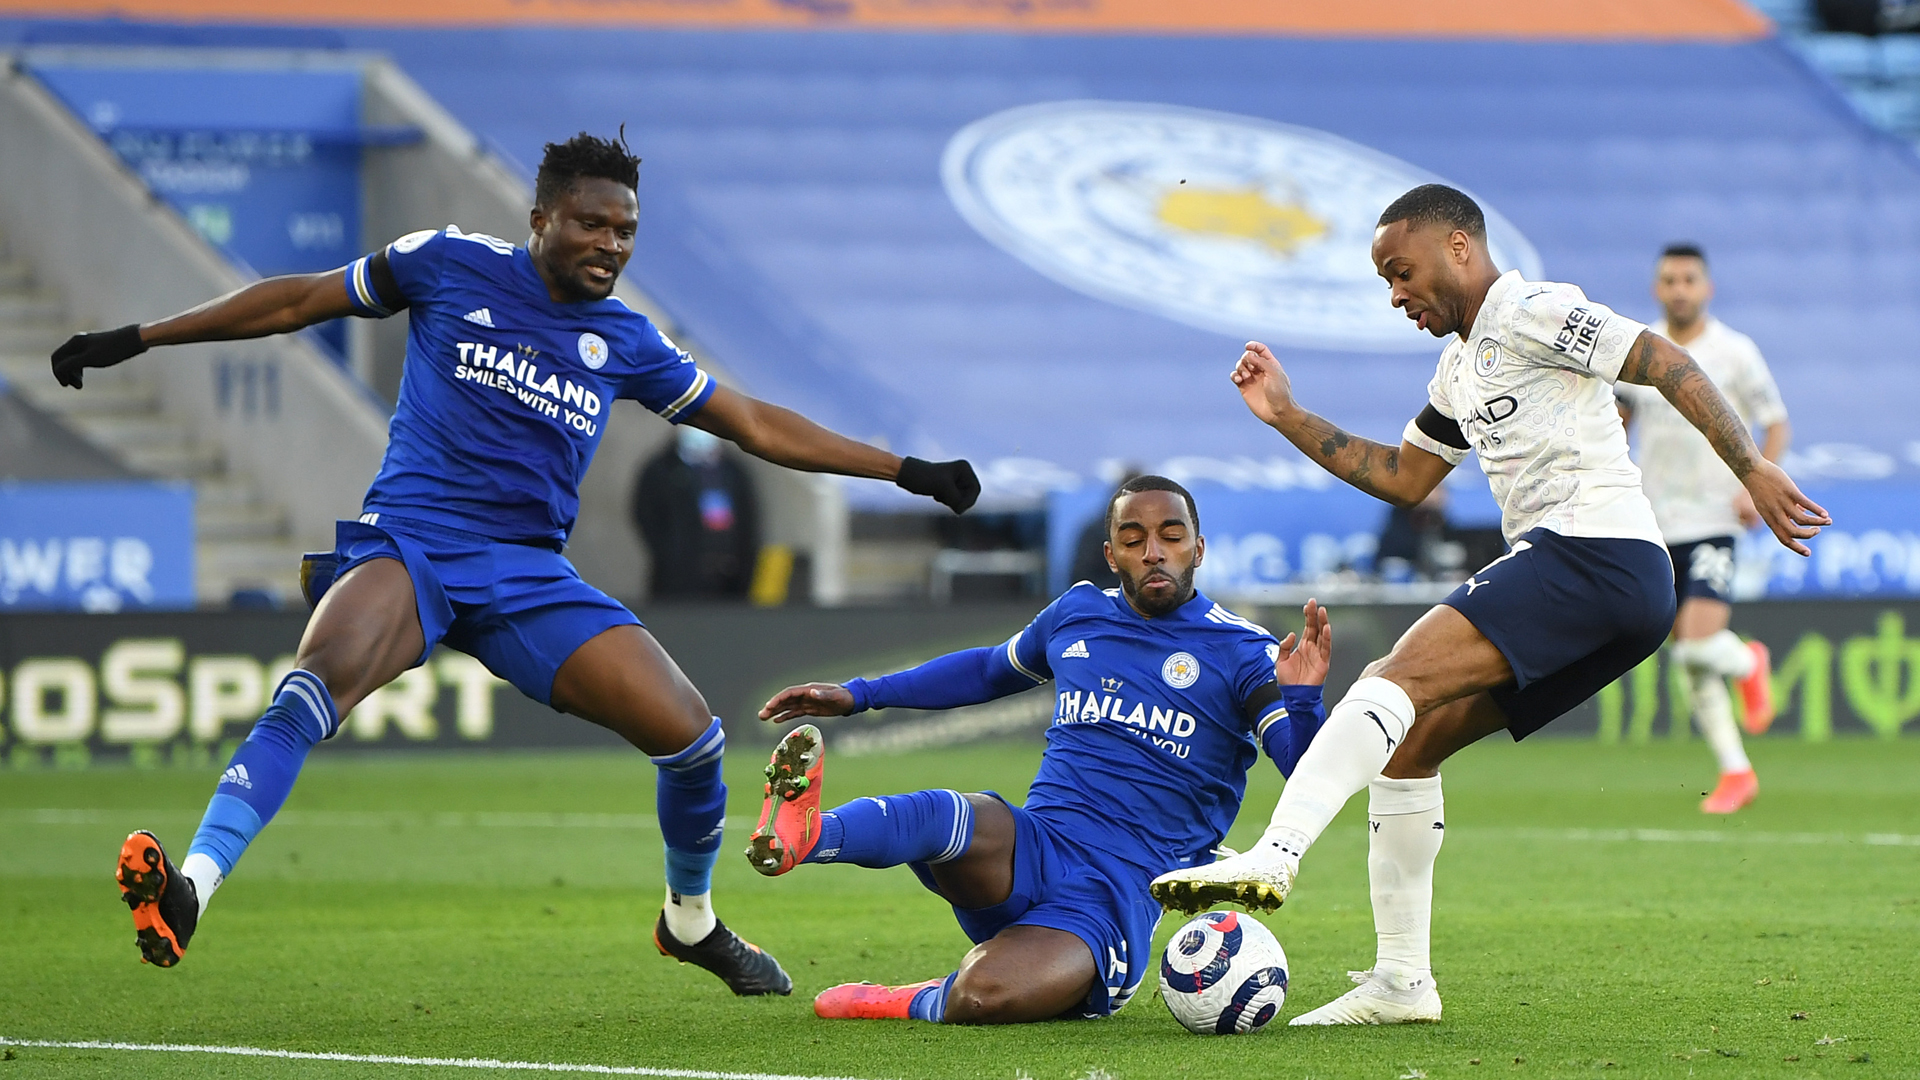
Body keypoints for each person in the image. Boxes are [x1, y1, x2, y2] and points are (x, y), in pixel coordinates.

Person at [50, 131, 980, 993]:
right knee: (312, 687)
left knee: (692, 737)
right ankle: (192, 890)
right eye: (592, 223)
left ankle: (690, 921)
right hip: (412, 542)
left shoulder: (626, 341)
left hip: (528, 574)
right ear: (541, 218)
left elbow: (755, 424)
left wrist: (903, 468)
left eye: (626, 230)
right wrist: (138, 338)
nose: (611, 244)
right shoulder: (446, 264)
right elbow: (296, 300)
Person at [1148, 184, 1827, 1025]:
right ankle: (1402, 984)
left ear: (1459, 247)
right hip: (1609, 591)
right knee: (1409, 747)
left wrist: (1750, 467)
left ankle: (1274, 857)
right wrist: (1286, 414)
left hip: (1595, 552)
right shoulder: (1459, 366)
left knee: (1392, 676)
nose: (1397, 294)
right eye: (1386, 282)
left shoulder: (1533, 310)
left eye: (1403, 272)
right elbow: (1406, 476)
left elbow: (1662, 360)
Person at [746, 476, 1329, 1023]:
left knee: (982, 995)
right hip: (1034, 845)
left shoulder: (1243, 651)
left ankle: (920, 997)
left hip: (1117, 891)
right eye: (1134, 539)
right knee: (952, 814)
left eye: (1170, 537)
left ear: (1197, 549)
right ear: (1111, 555)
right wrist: (857, 695)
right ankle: (808, 834)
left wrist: (1302, 703)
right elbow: (985, 671)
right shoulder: (1078, 613)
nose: (1154, 551)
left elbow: (1303, 771)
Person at [1616, 243, 1790, 814]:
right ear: (1656, 288)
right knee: (1685, 652)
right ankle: (1736, 771)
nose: (1679, 289)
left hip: (1716, 517)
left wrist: (1753, 484)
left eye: (1689, 279)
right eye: (1669, 279)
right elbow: (1617, 418)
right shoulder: (1637, 350)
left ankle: (1750, 663)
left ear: (1707, 287)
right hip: (1654, 522)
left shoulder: (1735, 352)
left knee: (1696, 647)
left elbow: (1775, 422)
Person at [632, 426, 761, 600]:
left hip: (730, 581)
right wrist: (672, 556)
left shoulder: (733, 471)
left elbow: (749, 519)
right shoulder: (661, 469)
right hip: (678, 583)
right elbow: (646, 516)